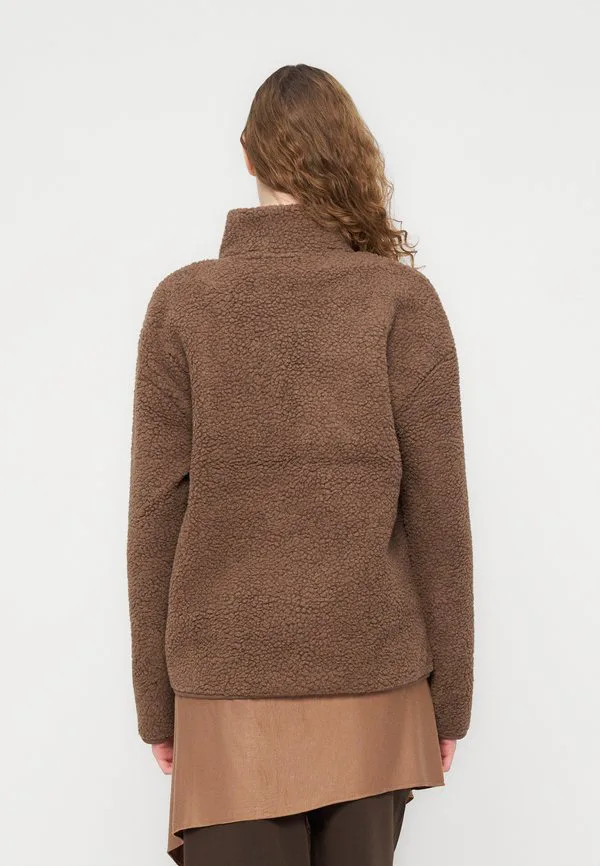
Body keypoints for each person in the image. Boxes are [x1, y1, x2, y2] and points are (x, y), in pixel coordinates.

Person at [126, 63, 474, 866]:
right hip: (375, 678)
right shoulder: (398, 299)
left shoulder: (184, 303)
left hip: (227, 685)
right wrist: (449, 698)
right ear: (352, 156)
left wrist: (157, 704)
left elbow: (154, 517)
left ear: (247, 154)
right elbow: (440, 516)